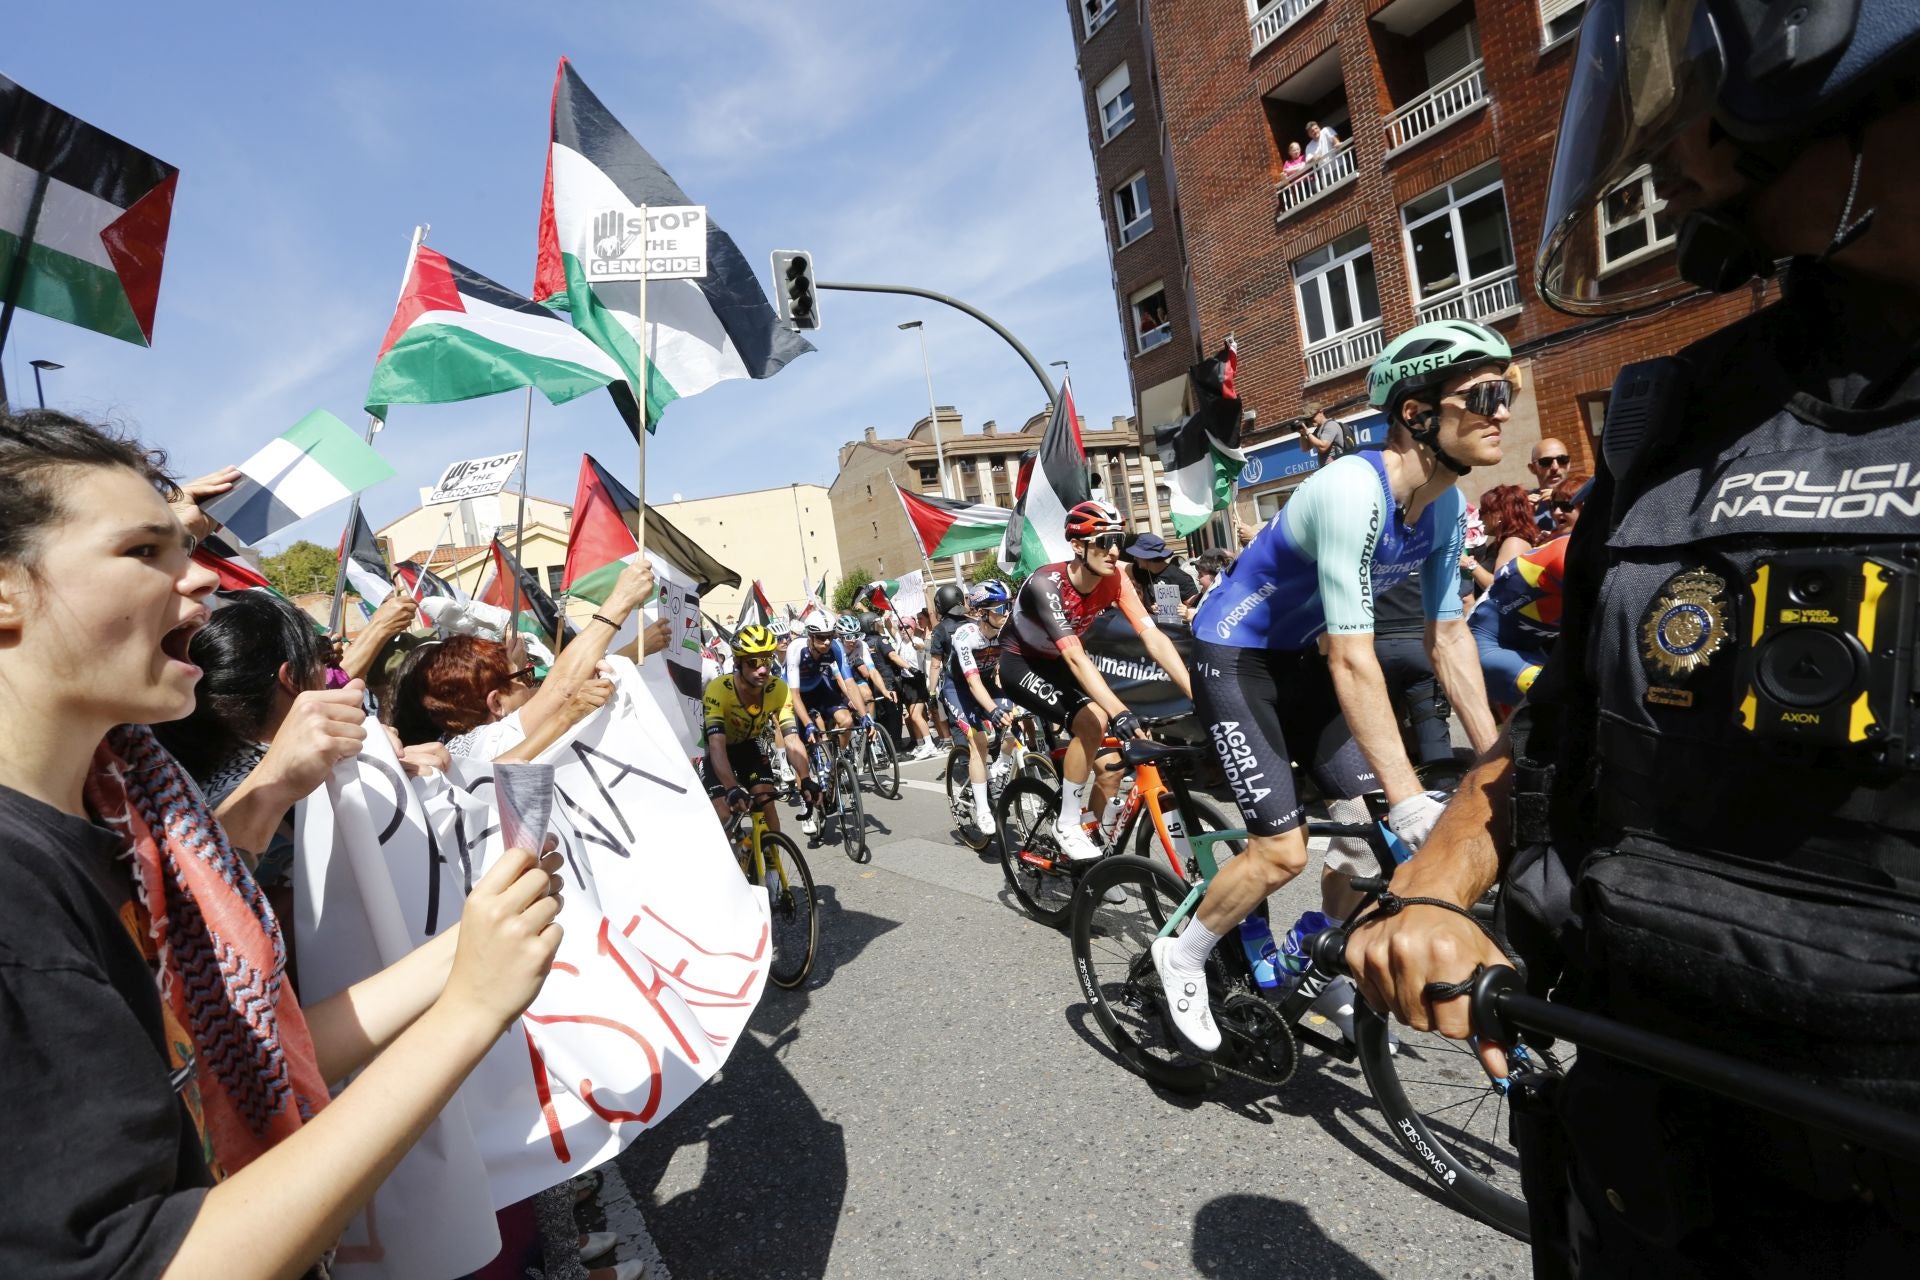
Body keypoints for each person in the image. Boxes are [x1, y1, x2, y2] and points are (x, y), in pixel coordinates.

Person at [1351, 1, 1920, 1270]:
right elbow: (1565, 725)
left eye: (1694, 99)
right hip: (1649, 1147)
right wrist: (1428, 884)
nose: (1666, 145)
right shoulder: (1681, 414)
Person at [0, 409, 562, 1277]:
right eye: (144, 552)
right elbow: (154, 1260)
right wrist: (465, 1013)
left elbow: (268, 1041)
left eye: (182, 549)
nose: (199, 585)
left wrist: (475, 947)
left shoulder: (134, 828)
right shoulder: (17, 897)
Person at [1153, 319, 1508, 1053]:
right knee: (1283, 850)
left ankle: (1318, 962)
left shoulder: (1441, 508)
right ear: (1416, 414)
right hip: (1238, 653)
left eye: (1510, 391)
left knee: (1376, 834)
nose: (1503, 410)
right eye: (1485, 395)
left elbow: (1447, 638)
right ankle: (1181, 953)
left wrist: (1503, 764)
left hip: (1300, 658)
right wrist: (1411, 796)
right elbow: (1353, 661)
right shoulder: (1353, 489)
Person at [999, 499, 1194, 863]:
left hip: (1063, 661)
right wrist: (1118, 711)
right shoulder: (1046, 583)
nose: (1114, 551)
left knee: (1111, 767)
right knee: (1095, 720)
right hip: (1022, 663)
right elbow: (1075, 656)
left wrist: (1196, 691)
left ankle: (1098, 858)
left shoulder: (1116, 578)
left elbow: (1153, 638)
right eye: (1103, 542)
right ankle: (1067, 824)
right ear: (1078, 545)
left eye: (1117, 540)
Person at [701, 624, 817, 836]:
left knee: (766, 800)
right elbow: (717, 744)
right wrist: (732, 788)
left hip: (748, 747)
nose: (762, 669)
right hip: (717, 750)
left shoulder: (778, 689)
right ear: (737, 662)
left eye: (766, 660)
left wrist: (806, 777)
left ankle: (773, 864)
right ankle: (734, 859)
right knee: (724, 813)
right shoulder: (719, 689)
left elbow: (791, 739)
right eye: (753, 663)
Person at [943, 580, 1017, 845]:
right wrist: (993, 710)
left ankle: (999, 769)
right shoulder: (965, 636)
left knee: (1013, 725)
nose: (1006, 612)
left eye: (1008, 606)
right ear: (982, 612)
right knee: (980, 742)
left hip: (985, 684)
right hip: (958, 689)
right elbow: (972, 682)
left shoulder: (1007, 631)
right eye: (999, 608)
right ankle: (983, 808)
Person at [785, 612, 865, 755]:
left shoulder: (836, 647)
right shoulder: (795, 648)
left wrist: (865, 715)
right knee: (803, 748)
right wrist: (808, 724)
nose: (827, 642)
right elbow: (794, 695)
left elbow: (850, 683)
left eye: (830, 636)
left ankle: (838, 759)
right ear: (810, 636)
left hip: (818, 687)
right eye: (821, 637)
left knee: (847, 721)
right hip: (794, 693)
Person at [877, 613, 939, 758]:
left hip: (917, 680)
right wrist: (886, 616)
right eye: (901, 627)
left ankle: (930, 744)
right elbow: (889, 626)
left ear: (913, 628)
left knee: (917, 715)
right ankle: (920, 743)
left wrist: (919, 646)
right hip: (906, 683)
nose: (903, 630)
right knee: (911, 716)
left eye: (906, 627)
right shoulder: (900, 640)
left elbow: (922, 646)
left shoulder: (916, 640)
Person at [1466, 483, 1541, 594]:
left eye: (1483, 511)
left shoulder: (1514, 543)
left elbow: (1501, 586)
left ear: (1499, 515)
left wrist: (1470, 564)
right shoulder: (1501, 543)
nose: (1479, 517)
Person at [1124, 531, 1200, 625]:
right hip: (1150, 627)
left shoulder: (1179, 577)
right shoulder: (1141, 570)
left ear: (1147, 557)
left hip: (1173, 631)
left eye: (1137, 555)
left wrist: (1181, 612)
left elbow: (1195, 609)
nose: (1135, 558)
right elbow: (1119, 567)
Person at [1525, 437, 1572, 526]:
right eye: (1546, 462)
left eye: (1562, 460)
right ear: (1532, 468)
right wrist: (1523, 517)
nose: (1555, 467)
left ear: (1569, 464)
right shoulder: (1525, 505)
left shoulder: (1586, 496)